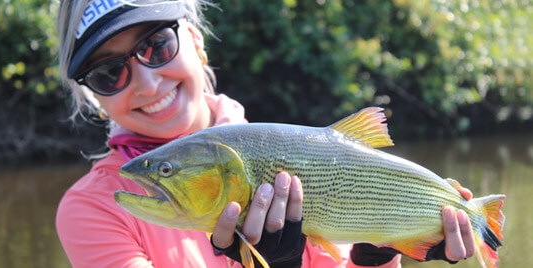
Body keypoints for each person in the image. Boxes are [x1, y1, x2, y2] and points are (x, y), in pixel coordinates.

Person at [55, 0, 476, 267]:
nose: (147, 83)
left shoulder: (289, 159)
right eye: (110, 73)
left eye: (156, 45)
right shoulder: (92, 209)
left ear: (197, 42)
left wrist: (377, 256)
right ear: (91, 94)